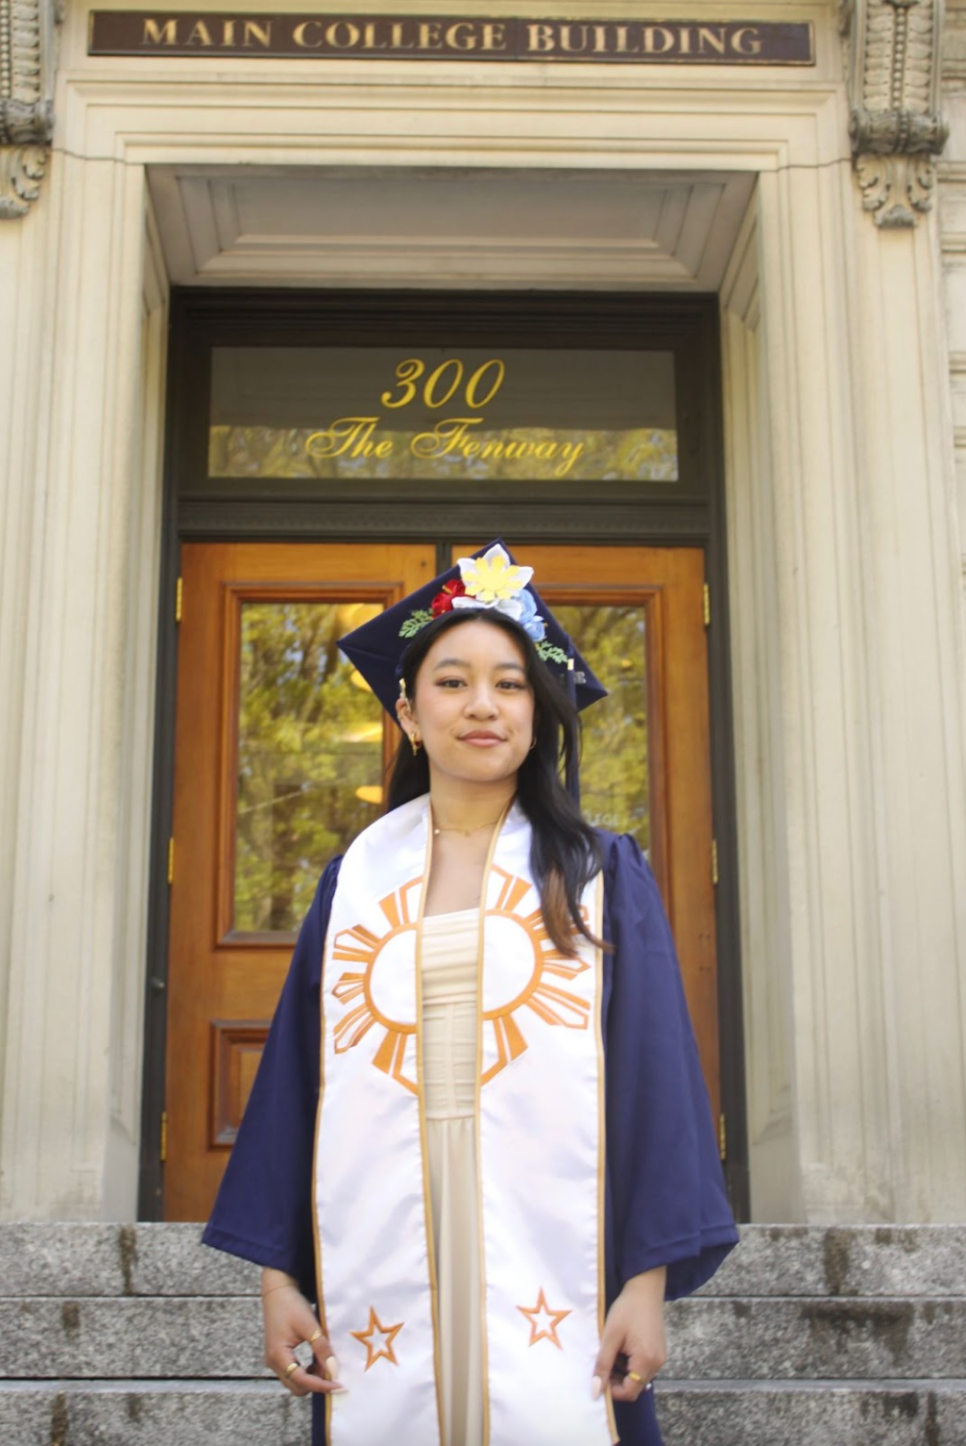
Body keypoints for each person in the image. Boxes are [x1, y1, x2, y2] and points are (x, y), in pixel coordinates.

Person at [202, 541, 740, 1446]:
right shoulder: (358, 880)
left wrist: (643, 1287)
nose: (482, 705)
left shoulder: (597, 873)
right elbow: (302, 1078)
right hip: (387, 1247)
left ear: (540, 712)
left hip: (550, 1250)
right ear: (409, 713)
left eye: (511, 684)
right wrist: (280, 1276)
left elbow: (654, 1079)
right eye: (452, 683)